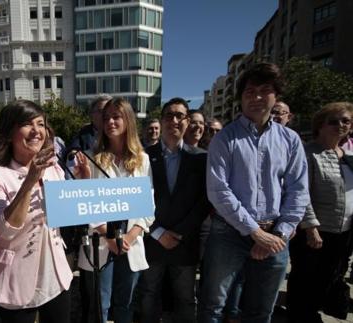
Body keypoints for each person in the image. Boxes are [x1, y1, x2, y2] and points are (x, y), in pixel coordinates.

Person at [199, 63, 309, 323]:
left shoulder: (290, 140)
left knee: (261, 310)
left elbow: (298, 189)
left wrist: (278, 234)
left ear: (276, 96)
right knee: (213, 306)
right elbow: (218, 190)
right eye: (249, 91)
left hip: (276, 234)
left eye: (264, 90)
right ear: (240, 98)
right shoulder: (224, 138)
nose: (256, 97)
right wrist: (255, 232)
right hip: (228, 232)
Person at [0, 100, 72, 323]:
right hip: (15, 279)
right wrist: (30, 181)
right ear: (10, 132)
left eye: (41, 124)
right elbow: (4, 230)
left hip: (55, 275)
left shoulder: (55, 169)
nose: (36, 131)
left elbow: (64, 216)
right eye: (27, 124)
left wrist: (83, 182)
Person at [76, 97, 153, 323]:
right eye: (106, 117)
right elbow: (84, 202)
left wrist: (132, 234)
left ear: (128, 120)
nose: (110, 121)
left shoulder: (143, 160)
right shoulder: (90, 158)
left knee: (125, 305)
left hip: (131, 242)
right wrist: (108, 235)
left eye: (116, 116)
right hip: (101, 241)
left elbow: (148, 204)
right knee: (99, 307)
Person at [140, 98, 211, 323]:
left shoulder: (201, 158)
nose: (174, 120)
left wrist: (179, 233)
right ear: (161, 120)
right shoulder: (143, 157)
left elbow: (205, 201)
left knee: (185, 299)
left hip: (185, 242)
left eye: (180, 115)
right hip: (153, 242)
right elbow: (136, 200)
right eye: (169, 115)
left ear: (187, 121)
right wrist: (158, 232)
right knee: (148, 296)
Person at [287, 102, 353, 323]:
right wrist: (310, 227)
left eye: (346, 121)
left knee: (330, 277)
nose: (341, 125)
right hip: (314, 232)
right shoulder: (308, 153)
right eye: (333, 121)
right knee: (305, 280)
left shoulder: (349, 156)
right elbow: (300, 193)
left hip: (343, 231)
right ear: (320, 125)